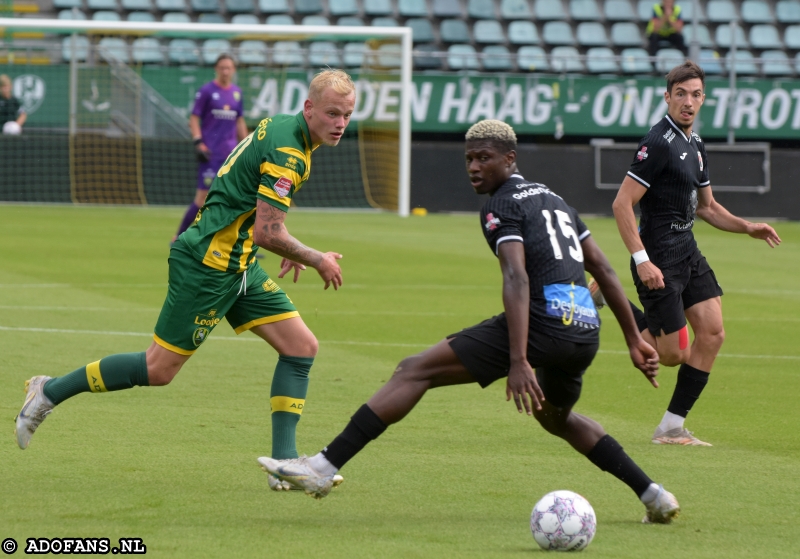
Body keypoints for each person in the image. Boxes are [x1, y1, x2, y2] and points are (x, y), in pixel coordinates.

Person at [260, 119, 681, 525]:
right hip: (584, 330)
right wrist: (631, 339)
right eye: (469, 159)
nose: (475, 168)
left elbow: (516, 277)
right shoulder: (555, 200)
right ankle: (653, 494)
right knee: (556, 417)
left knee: (413, 370)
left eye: (484, 158)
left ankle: (323, 466)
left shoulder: (500, 206)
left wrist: (518, 360)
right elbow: (605, 271)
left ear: (510, 159)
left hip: (541, 325)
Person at [15, 69, 358, 492]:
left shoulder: (286, 128)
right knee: (158, 369)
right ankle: (48, 392)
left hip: (238, 263)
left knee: (301, 347)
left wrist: (291, 250)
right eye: (332, 113)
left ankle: (284, 463)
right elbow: (269, 232)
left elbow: (260, 221)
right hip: (208, 264)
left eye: (346, 115)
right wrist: (315, 257)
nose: (340, 123)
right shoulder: (290, 150)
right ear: (309, 109)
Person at [611, 61, 781, 446]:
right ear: (667, 96)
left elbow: (707, 207)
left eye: (696, 95)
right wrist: (642, 261)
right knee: (670, 356)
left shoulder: (696, 145)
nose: (689, 102)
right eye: (681, 94)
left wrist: (748, 227)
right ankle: (611, 294)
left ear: (704, 99)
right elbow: (622, 205)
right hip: (658, 258)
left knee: (713, 334)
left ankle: (671, 427)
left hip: (686, 250)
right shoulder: (656, 143)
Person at [173, 53, 249, 243]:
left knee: (237, 199)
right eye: (222, 67)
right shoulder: (207, 91)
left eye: (228, 68)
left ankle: (236, 244)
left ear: (234, 70)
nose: (225, 71)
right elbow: (193, 118)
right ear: (216, 69)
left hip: (230, 155)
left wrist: (248, 145)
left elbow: (239, 120)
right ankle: (178, 237)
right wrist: (198, 141)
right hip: (211, 154)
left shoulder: (237, 93)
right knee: (202, 199)